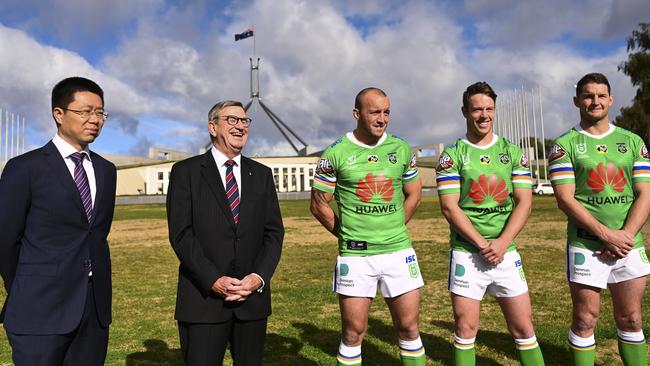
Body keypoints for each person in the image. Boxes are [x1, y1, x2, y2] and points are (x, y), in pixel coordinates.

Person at [0, 76, 116, 365]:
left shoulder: (106, 170)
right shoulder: (24, 168)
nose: (95, 119)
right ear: (59, 114)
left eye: (100, 112)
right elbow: (5, 240)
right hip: (39, 307)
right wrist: (29, 284)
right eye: (85, 111)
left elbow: (95, 235)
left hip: (93, 310)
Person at [311, 87, 426, 366]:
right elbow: (318, 205)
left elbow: (415, 194)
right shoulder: (335, 152)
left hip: (398, 252)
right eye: (375, 112)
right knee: (353, 333)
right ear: (357, 114)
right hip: (355, 257)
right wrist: (348, 234)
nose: (382, 118)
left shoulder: (401, 148)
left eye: (386, 112)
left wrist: (396, 225)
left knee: (409, 328)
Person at [167, 100, 283, 365]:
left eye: (244, 121)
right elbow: (181, 235)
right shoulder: (186, 172)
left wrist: (258, 277)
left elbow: (274, 233)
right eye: (232, 119)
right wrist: (213, 279)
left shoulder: (261, 174)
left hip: (251, 300)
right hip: (203, 299)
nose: (240, 126)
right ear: (212, 127)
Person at [436, 82, 545, 366]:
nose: (484, 115)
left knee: (523, 329)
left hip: (506, 253)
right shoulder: (452, 155)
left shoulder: (512, 151)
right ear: (465, 111)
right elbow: (449, 206)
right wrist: (484, 245)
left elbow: (524, 202)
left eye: (489, 109)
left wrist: (502, 243)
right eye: (477, 109)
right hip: (467, 254)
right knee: (465, 330)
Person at [549, 73, 650, 366]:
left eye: (601, 95)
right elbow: (565, 198)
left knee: (631, 318)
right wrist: (606, 235)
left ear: (611, 100)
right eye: (588, 96)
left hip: (629, 245)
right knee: (585, 319)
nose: (595, 101)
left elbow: (645, 193)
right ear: (577, 100)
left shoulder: (632, 142)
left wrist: (624, 236)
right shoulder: (564, 145)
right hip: (586, 245)